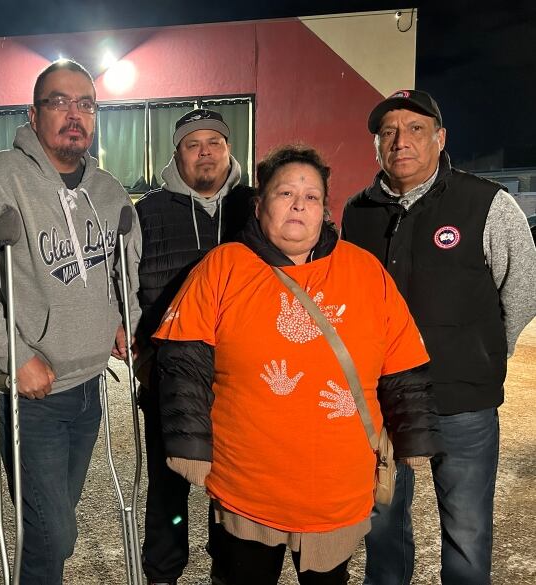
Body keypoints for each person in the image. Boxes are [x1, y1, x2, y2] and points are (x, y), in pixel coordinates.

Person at [151, 145, 442, 585]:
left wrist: (415, 435)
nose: (298, 205)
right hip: (247, 483)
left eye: (311, 196)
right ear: (259, 204)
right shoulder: (222, 267)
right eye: (285, 193)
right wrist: (189, 445)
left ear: (325, 210)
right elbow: (182, 364)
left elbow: (404, 365)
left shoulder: (365, 272)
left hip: (335, 487)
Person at [0, 59, 141, 584]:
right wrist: (14, 355)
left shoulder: (106, 190)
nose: (74, 114)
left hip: (90, 390)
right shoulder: (0, 178)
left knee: (50, 533)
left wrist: (125, 319)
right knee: (55, 533)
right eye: (60, 102)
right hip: (33, 394)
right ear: (33, 115)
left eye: (86, 104)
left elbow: (127, 266)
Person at [342, 90, 536, 585]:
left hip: (463, 403)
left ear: (440, 138)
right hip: (383, 404)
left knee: (467, 533)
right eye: (387, 132)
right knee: (381, 525)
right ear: (376, 147)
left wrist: (485, 352)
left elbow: (522, 288)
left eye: (415, 129)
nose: (400, 141)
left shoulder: (487, 204)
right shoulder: (357, 212)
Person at [134, 108, 254, 585]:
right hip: (170, 376)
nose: (205, 152)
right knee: (169, 488)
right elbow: (121, 285)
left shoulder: (255, 205)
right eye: (193, 143)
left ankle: (227, 570)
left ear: (229, 149)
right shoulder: (147, 213)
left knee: (232, 488)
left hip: (242, 379)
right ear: (177, 154)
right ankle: (163, 574)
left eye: (215, 142)